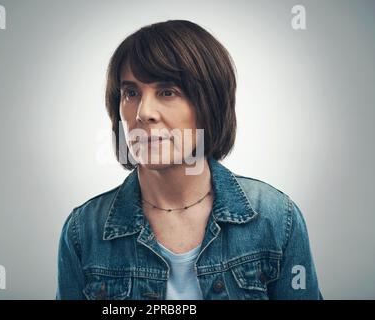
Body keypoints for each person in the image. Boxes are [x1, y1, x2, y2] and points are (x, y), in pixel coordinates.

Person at [56, 20, 322, 300]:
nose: (143, 113)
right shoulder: (83, 230)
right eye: (131, 93)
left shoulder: (277, 218)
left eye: (167, 92)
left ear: (210, 104)